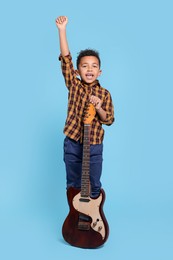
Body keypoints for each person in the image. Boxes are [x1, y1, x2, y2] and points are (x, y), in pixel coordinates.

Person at [55, 16, 114, 198]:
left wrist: (99, 107)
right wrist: (62, 30)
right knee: (73, 185)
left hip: (94, 144)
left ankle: (93, 220)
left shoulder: (104, 94)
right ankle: (75, 220)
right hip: (73, 141)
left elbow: (109, 119)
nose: (89, 69)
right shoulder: (74, 85)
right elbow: (66, 60)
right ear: (78, 71)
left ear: (100, 71)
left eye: (94, 66)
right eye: (85, 66)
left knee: (94, 185)